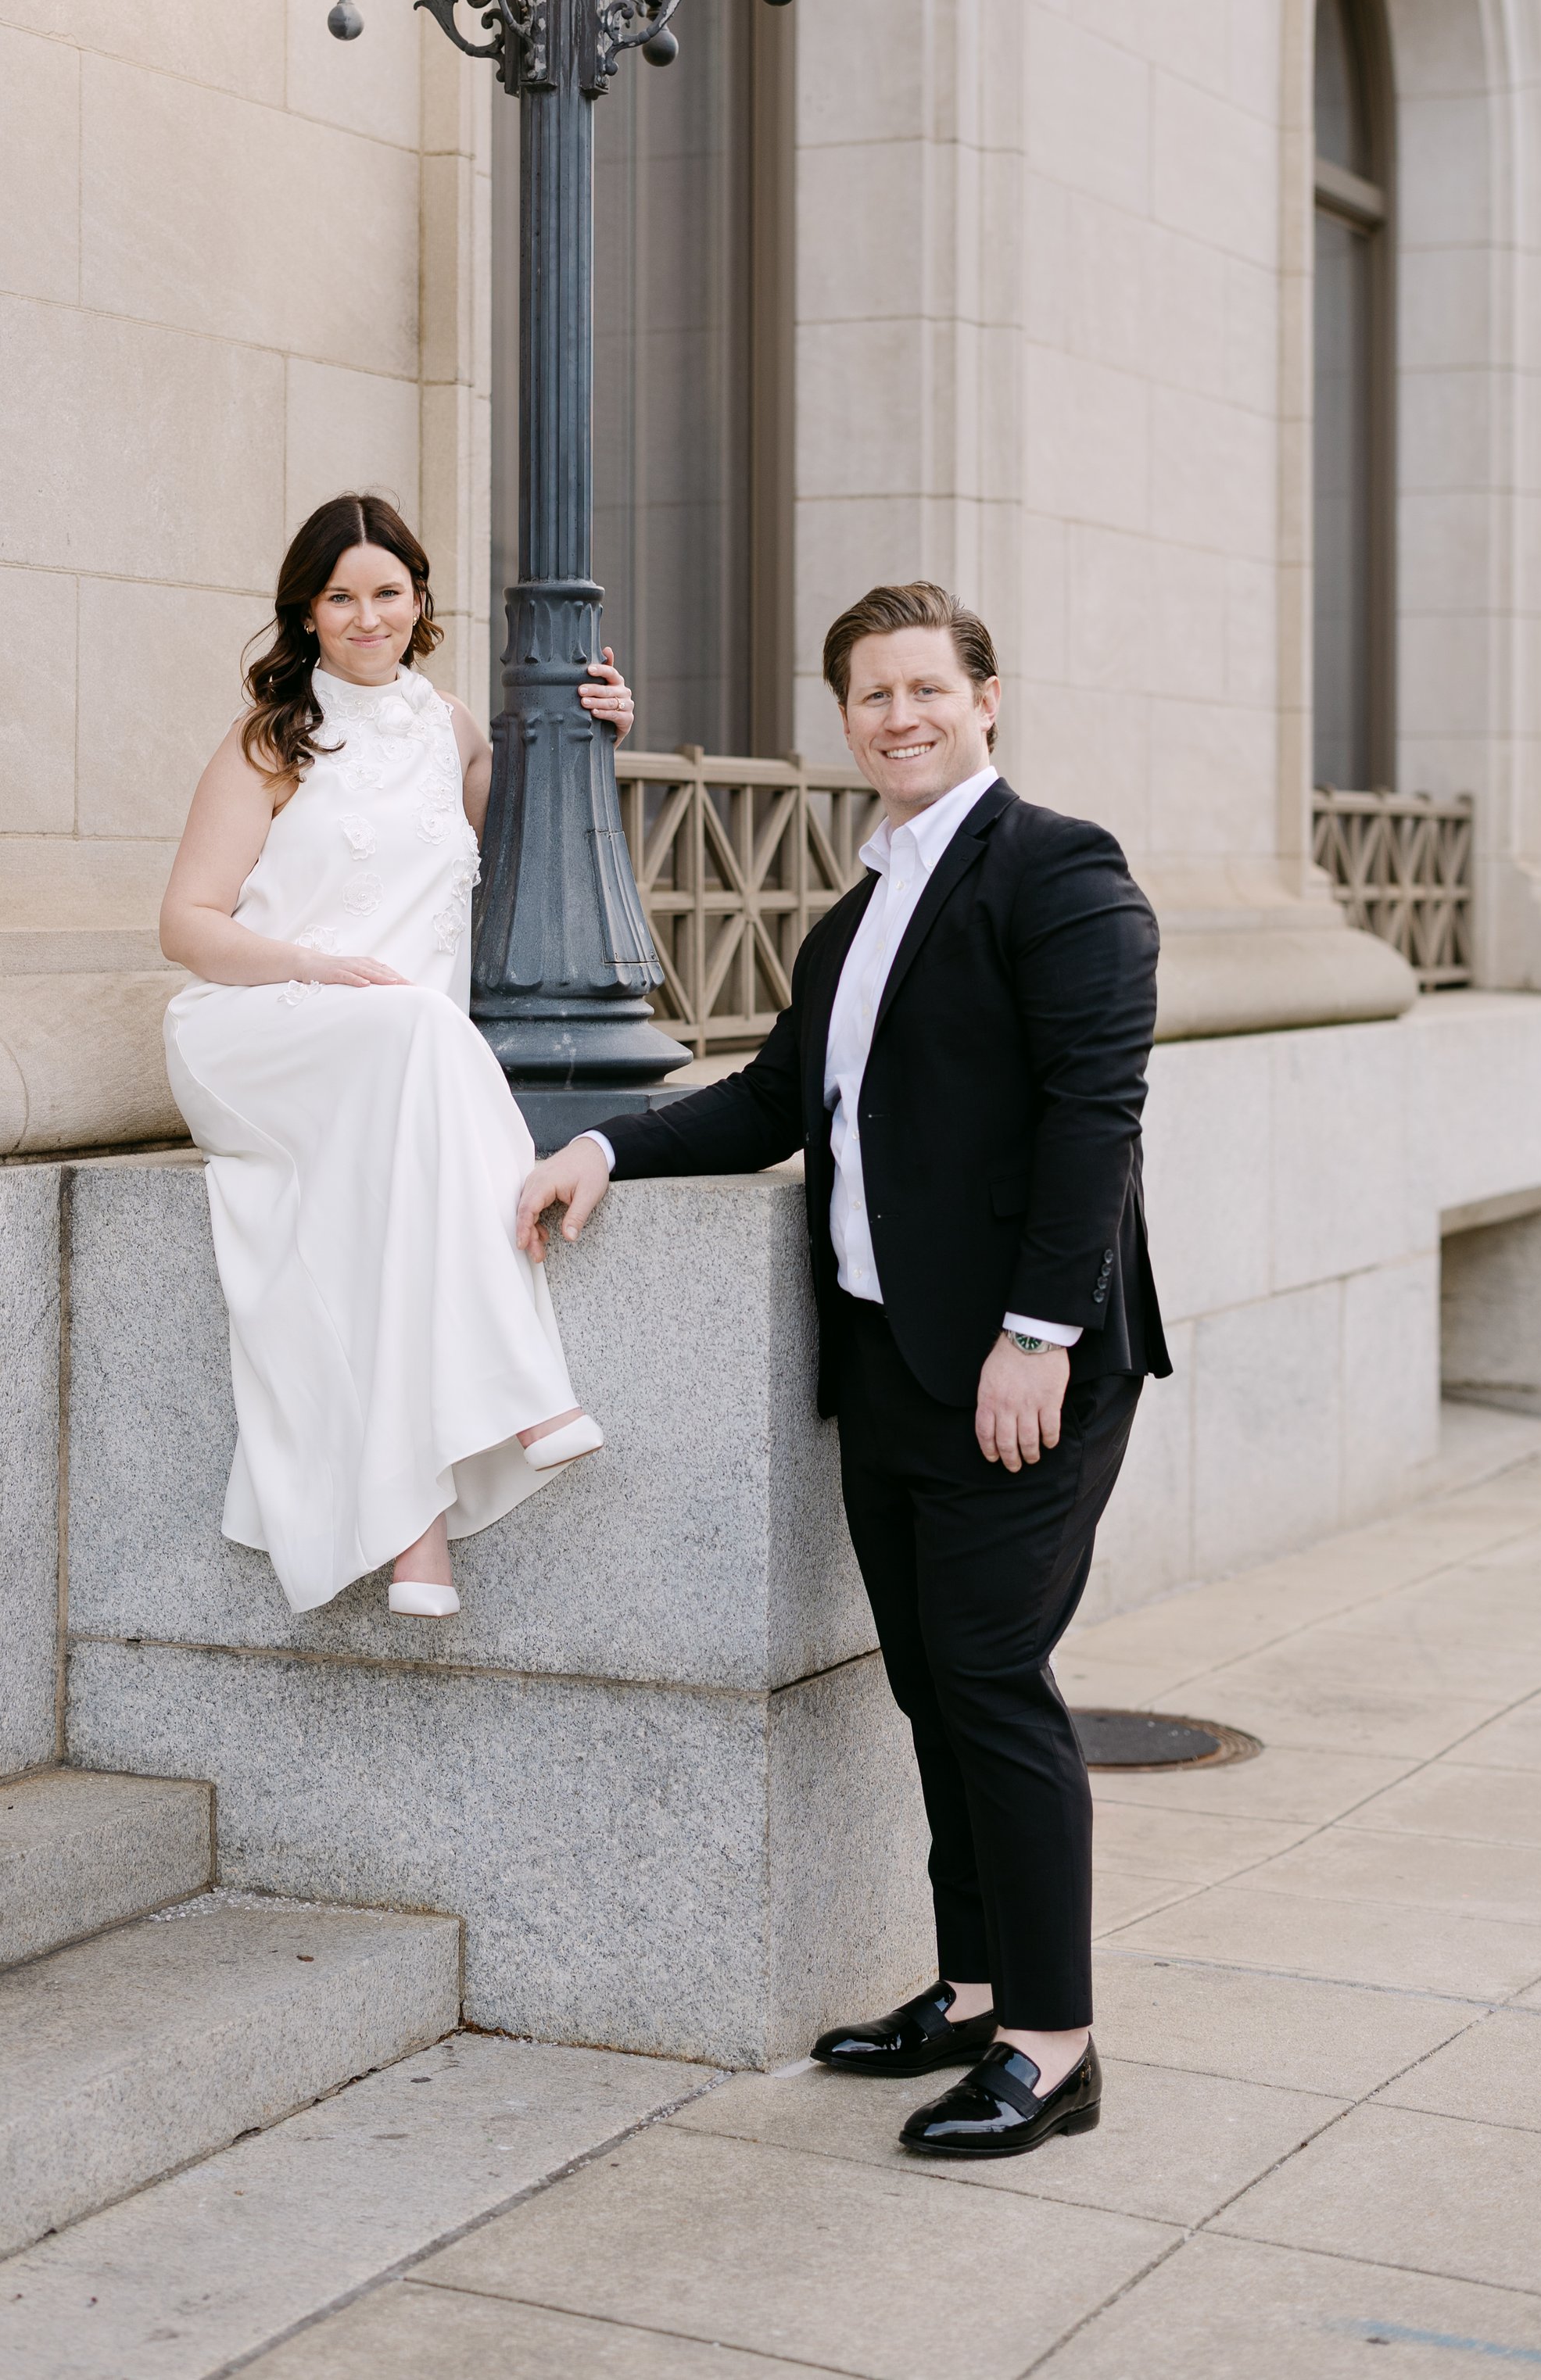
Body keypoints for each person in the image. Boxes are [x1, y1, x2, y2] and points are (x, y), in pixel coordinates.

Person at [518, 578, 1168, 2159]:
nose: (897, 717)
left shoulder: (1057, 870)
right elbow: (769, 1106)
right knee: (931, 1683)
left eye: (924, 690)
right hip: (883, 1363)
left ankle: (1050, 2042)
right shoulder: (854, 911)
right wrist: (603, 1141)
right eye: (869, 697)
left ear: (985, 696)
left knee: (994, 1684)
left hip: (1021, 1370)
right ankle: (967, 1987)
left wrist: (1038, 1335)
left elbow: (1096, 1113)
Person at [159, 492, 635, 1620]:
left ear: (420, 599)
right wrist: (318, 968)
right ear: (308, 612)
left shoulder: (454, 729)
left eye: (387, 591)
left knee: (390, 1206)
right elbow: (186, 923)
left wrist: (595, 738)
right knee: (425, 1023)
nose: (366, 615)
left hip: (401, 1061)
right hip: (262, 1030)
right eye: (340, 596)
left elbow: (533, 848)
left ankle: (417, 1540)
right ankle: (524, 1391)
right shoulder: (269, 739)